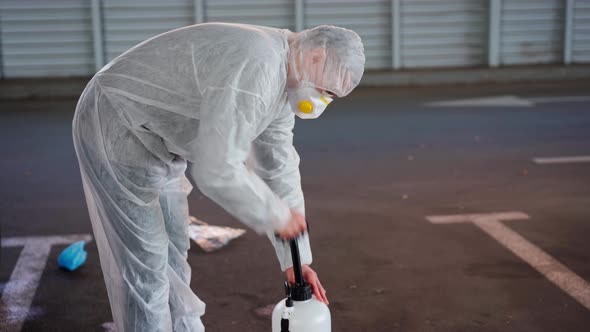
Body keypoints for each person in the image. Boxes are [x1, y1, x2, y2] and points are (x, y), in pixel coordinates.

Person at [72, 22, 365, 332]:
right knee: (145, 263)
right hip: (118, 123)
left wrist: (296, 261)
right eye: (327, 91)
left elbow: (279, 167)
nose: (323, 102)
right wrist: (277, 215)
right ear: (317, 57)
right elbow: (217, 169)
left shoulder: (284, 82)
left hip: (156, 137)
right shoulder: (259, 63)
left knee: (173, 249)